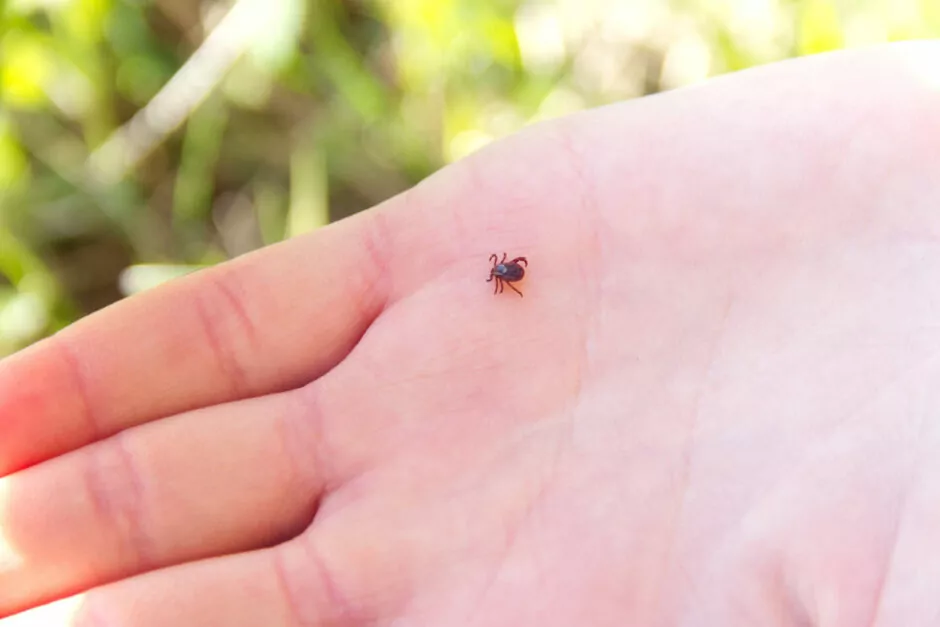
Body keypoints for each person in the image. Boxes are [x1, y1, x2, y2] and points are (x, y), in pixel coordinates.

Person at [2, 40, 939, 626]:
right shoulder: (504, 276)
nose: (505, 276)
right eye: (505, 271)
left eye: (505, 272)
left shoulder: (508, 275)